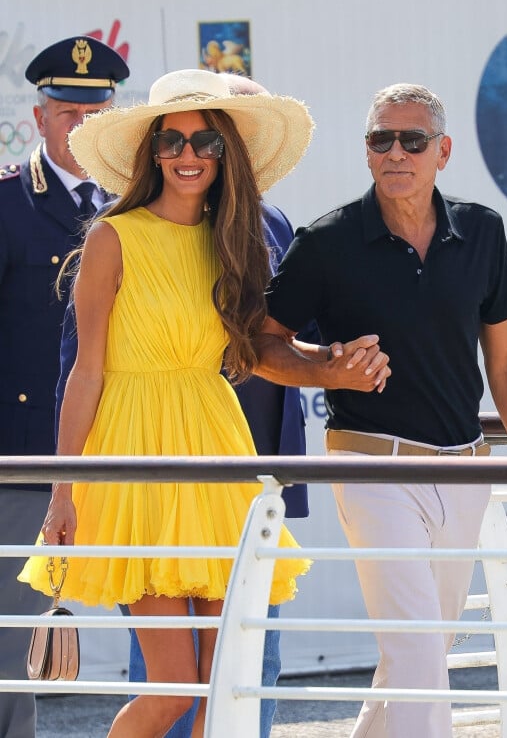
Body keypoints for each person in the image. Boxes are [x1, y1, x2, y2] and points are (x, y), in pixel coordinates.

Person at [251, 82, 507, 738]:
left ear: (442, 152)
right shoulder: (327, 241)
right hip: (372, 469)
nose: (396, 152)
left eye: (412, 140)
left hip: (465, 473)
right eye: (380, 139)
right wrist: (325, 368)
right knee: (421, 655)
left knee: (415, 657)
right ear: (366, 153)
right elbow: (257, 344)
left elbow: (506, 363)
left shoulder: (482, 231)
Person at [18, 68, 318, 738]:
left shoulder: (234, 242)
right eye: (172, 141)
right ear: (152, 153)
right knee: (174, 687)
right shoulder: (113, 237)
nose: (187, 155)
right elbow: (85, 372)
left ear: (224, 155)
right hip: (135, 458)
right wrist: (64, 490)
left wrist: (343, 365)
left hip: (215, 451)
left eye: (205, 143)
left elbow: (262, 349)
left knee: (223, 685)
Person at [0, 35, 129, 738]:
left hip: (132, 445)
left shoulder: (143, 205)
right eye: (67, 113)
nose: (81, 127)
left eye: (95, 113)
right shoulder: (9, 205)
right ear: (40, 116)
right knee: (10, 642)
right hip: (29, 456)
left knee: (165, 613)